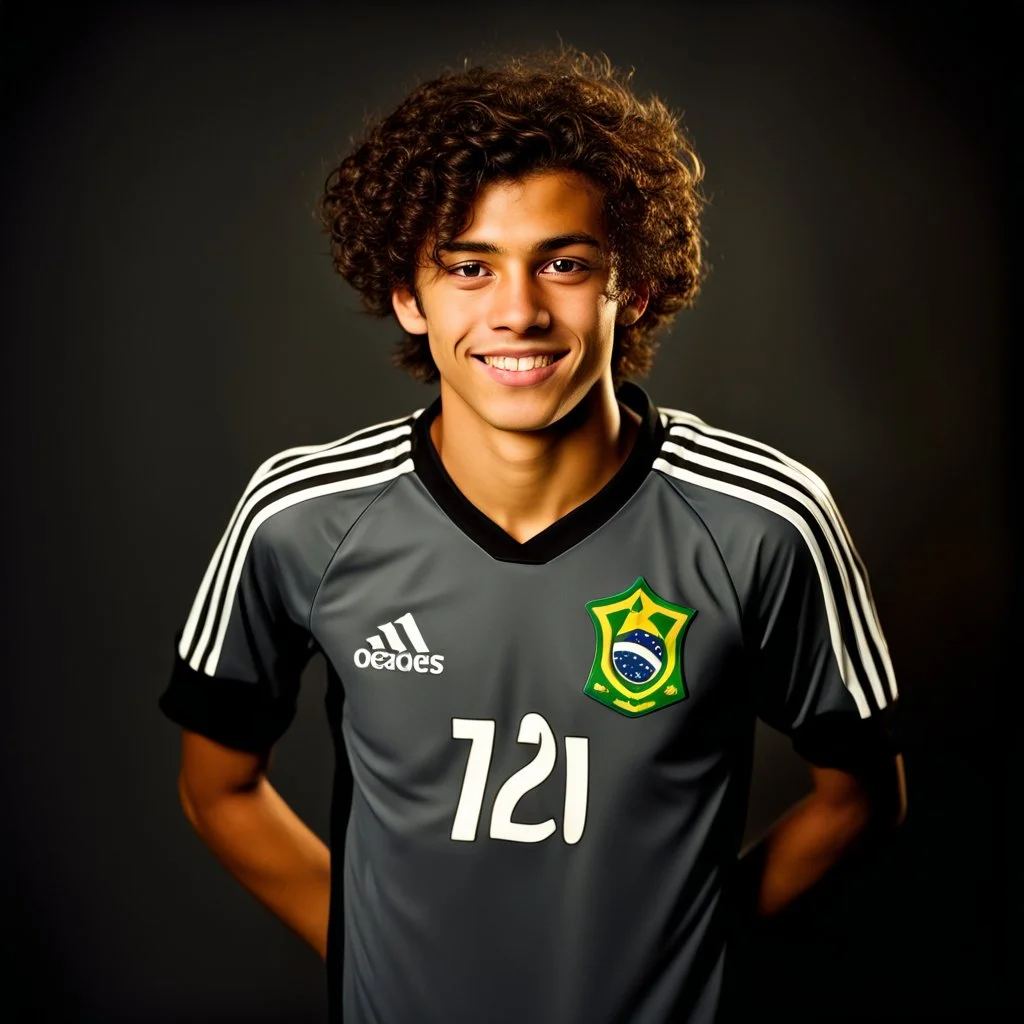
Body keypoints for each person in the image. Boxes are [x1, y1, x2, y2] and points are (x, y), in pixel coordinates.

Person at [160, 47, 906, 1024]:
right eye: (468, 267)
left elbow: (858, 795)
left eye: (562, 262)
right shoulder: (301, 514)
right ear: (407, 297)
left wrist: (695, 947)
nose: (516, 311)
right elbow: (218, 787)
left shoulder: (764, 517)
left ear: (628, 287)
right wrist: (370, 958)